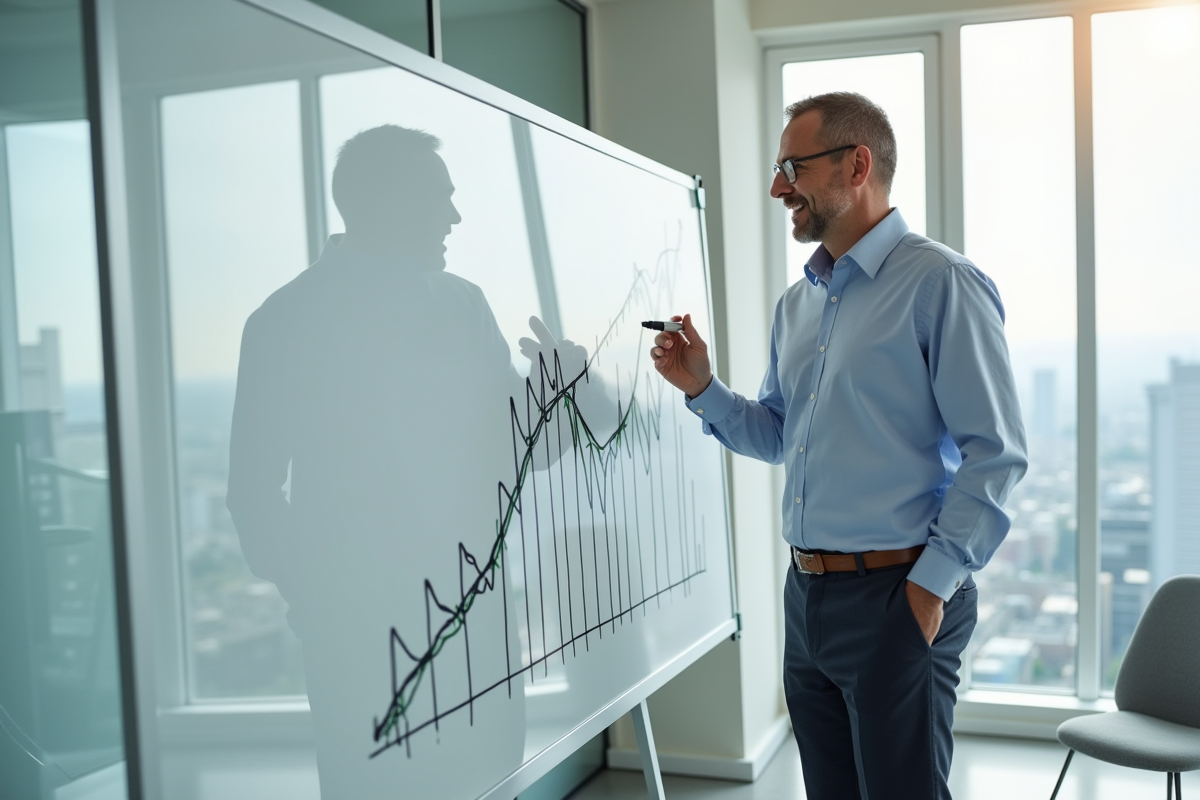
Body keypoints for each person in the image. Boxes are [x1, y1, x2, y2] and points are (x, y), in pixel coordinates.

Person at [649, 92, 1028, 799]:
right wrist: (703, 386)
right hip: (807, 597)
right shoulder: (797, 306)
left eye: (792, 167)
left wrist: (928, 590)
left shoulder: (941, 283)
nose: (776, 188)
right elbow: (779, 435)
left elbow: (997, 454)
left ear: (857, 165)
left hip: (898, 593)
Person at [226, 124, 587, 799]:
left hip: (474, 625)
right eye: (437, 198)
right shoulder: (283, 320)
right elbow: (252, 490)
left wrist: (554, 395)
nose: (454, 217)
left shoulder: (464, 304)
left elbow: (520, 453)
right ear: (387, 201)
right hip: (358, 638)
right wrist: (314, 596)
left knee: (490, 784)